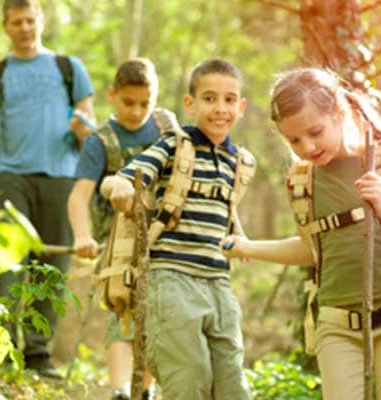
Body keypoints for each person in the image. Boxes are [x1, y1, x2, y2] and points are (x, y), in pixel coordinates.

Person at [221, 67, 381, 400]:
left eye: (315, 132)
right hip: (337, 323)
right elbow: (311, 249)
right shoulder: (301, 180)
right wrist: (248, 246)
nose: (307, 147)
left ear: (338, 112)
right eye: (294, 140)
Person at [100, 58, 254, 400]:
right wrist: (120, 186)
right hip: (172, 278)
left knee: (231, 380)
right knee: (188, 376)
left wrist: (239, 236)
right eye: (210, 98)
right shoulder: (175, 145)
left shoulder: (239, 160)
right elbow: (126, 175)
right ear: (190, 104)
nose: (220, 108)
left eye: (230, 100)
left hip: (218, 282)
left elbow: (227, 205)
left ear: (241, 107)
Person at [0, 0, 95, 379]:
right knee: (6, 262)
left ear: (42, 21)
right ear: (5, 27)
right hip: (7, 175)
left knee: (51, 268)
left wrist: (83, 132)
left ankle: (38, 354)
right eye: (16, 22)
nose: (24, 28)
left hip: (61, 177)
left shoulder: (69, 69)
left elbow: (91, 129)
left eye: (30, 20)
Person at [67, 58, 162, 400]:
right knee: (121, 308)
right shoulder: (101, 141)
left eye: (144, 104)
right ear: (112, 96)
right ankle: (119, 387)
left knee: (156, 313)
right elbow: (79, 197)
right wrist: (82, 235)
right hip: (116, 242)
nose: (136, 112)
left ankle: (146, 389)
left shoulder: (166, 130)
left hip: (163, 239)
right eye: (128, 103)